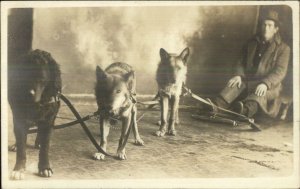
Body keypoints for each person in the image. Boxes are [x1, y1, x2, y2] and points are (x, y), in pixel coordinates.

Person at [212, 10, 291, 118]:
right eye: (264, 25)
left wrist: (265, 83)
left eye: (269, 25)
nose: (266, 28)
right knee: (234, 85)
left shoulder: (283, 48)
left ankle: (243, 111)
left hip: (269, 86)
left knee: (257, 96)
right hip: (248, 81)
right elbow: (240, 61)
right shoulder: (251, 43)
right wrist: (238, 75)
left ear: (276, 29)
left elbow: (280, 72)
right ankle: (215, 106)